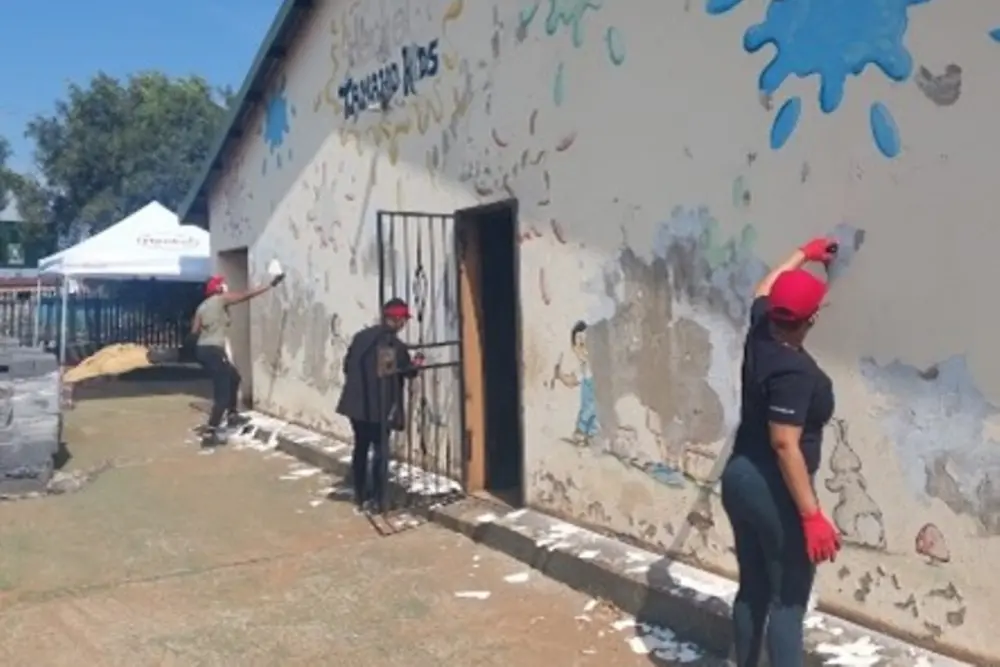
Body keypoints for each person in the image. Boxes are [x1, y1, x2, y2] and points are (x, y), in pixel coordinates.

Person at [720, 237, 842, 667]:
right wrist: (811, 515)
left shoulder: (760, 329)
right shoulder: (794, 370)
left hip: (738, 477)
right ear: (811, 319)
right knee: (788, 602)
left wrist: (802, 255)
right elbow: (784, 442)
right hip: (773, 490)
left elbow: (763, 289)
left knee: (752, 589)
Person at [336, 298, 424, 513]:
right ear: (395, 319)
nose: (404, 323)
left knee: (361, 447)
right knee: (381, 451)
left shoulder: (361, 337)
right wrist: (417, 365)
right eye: (403, 319)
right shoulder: (394, 345)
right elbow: (403, 371)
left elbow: (347, 365)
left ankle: (359, 493)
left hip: (356, 404)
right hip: (378, 408)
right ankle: (379, 499)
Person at [191, 272, 284, 446]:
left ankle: (232, 416)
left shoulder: (202, 306)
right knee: (223, 391)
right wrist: (270, 285)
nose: (226, 287)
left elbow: (194, 330)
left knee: (234, 377)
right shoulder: (220, 299)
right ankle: (211, 433)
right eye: (223, 284)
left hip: (203, 350)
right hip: (214, 351)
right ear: (218, 288)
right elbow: (245, 295)